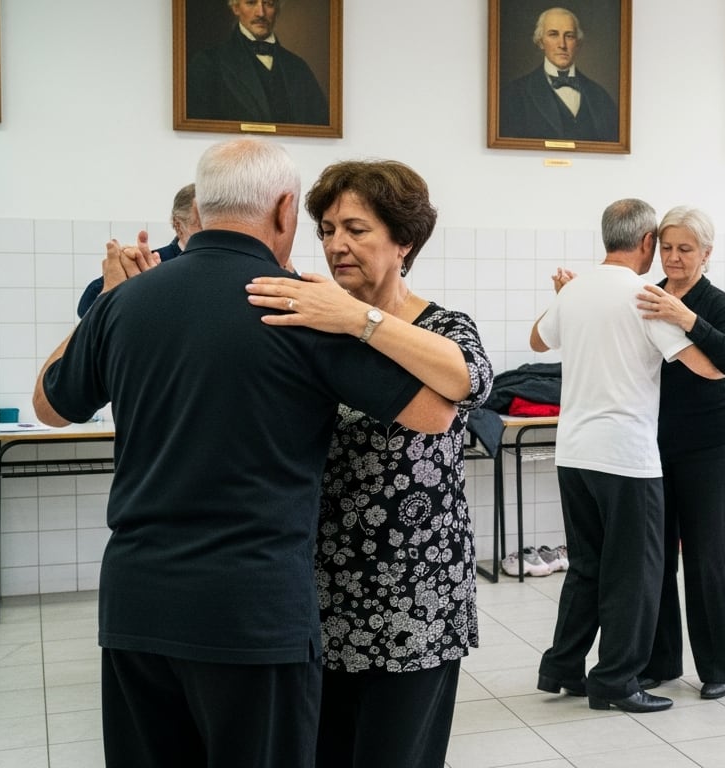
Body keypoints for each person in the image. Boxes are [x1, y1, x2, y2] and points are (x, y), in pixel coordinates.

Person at [30, 138, 457, 768]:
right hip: (251, 612)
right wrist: (356, 321)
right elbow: (435, 411)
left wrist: (102, 308)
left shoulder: (125, 301)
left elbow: (49, 404)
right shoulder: (295, 305)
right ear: (286, 211)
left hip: (136, 603)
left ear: (199, 209)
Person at [242, 161, 493, 767]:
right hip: (316, 589)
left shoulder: (441, 326)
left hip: (416, 591)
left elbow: (471, 378)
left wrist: (359, 319)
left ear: (404, 240)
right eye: (327, 229)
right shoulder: (309, 323)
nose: (336, 245)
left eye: (356, 228)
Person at [530, 198, 723, 714]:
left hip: (573, 452)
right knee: (634, 572)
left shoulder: (576, 289)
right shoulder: (644, 296)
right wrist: (696, 333)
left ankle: (562, 667)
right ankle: (616, 681)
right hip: (626, 457)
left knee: (586, 567)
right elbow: (706, 368)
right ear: (644, 244)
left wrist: (564, 303)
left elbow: (537, 338)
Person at [634, 206, 725, 701]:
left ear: (706, 253)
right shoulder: (647, 296)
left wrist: (688, 319)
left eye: (685, 249)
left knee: (708, 558)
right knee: (656, 559)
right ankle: (660, 663)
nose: (674, 257)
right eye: (667, 247)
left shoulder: (716, 302)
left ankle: (720, 666)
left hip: (711, 445)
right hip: (654, 442)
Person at [187, 0, 330, 125]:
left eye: (268, 3)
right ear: (236, 8)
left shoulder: (299, 68)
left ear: (277, 9)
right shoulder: (208, 63)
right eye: (251, 2)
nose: (261, 13)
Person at [77, 184, 201, 317]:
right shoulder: (149, 264)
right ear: (178, 224)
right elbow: (88, 302)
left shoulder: (222, 265)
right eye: (203, 222)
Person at [499, 7, 619, 142]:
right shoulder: (514, 94)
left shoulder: (600, 96)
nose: (562, 44)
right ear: (540, 41)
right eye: (553, 34)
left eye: (569, 36)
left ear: (577, 43)